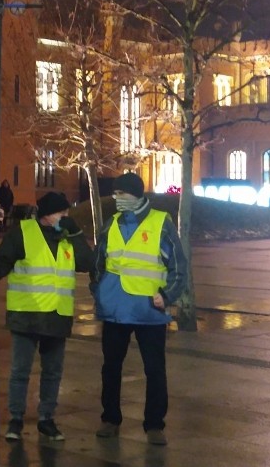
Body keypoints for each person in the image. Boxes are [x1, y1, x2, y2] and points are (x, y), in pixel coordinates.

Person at [0, 191, 94, 442]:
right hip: (27, 314)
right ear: (47, 215)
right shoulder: (22, 233)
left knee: (52, 372)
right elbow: (4, 261)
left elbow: (87, 263)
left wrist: (76, 233)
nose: (65, 217)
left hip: (57, 315)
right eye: (61, 213)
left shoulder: (68, 236)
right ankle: (16, 419)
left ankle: (46, 418)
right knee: (20, 370)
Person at [92, 172, 186, 446]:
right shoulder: (112, 224)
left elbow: (178, 267)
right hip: (115, 310)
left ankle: (155, 425)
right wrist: (98, 292)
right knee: (111, 367)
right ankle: (110, 418)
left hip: (149, 311)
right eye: (115, 194)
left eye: (121, 194)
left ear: (136, 195)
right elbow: (98, 263)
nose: (117, 199)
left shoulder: (161, 223)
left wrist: (166, 295)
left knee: (155, 369)